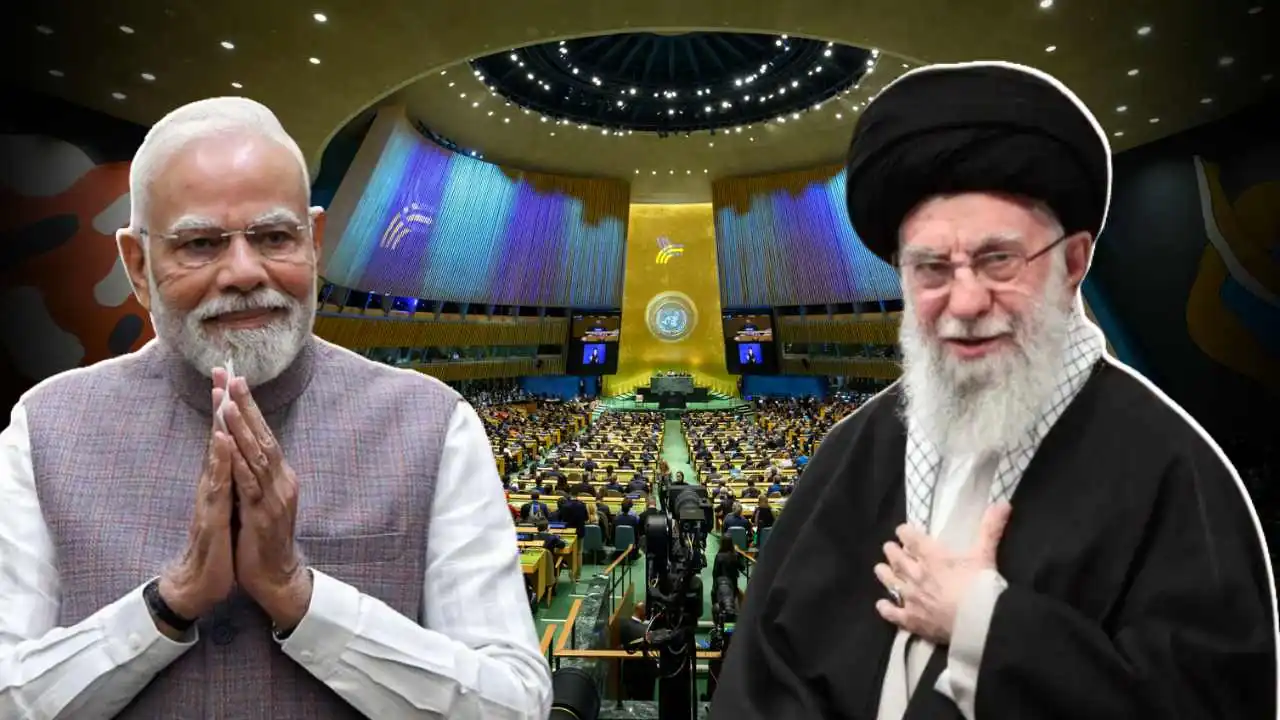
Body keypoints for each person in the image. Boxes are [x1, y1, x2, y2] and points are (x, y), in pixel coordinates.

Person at [712, 62, 1276, 720]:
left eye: (998, 260)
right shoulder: (852, 453)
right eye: (931, 268)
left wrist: (986, 623)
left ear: (1073, 262)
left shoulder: (1172, 468)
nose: (966, 302)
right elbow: (764, 674)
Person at [0, 98, 551, 718]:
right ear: (137, 265)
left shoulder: (434, 424)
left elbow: (512, 704)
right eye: (200, 244)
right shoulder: (45, 429)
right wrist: (169, 603)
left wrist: (300, 596)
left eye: (273, 237)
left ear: (313, 242)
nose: (243, 272)